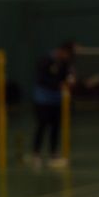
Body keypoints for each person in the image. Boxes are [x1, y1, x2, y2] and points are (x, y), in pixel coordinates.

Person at [30, 41, 76, 169]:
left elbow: (68, 76)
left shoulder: (66, 63)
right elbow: (41, 78)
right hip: (42, 99)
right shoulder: (45, 60)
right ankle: (36, 154)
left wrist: (70, 79)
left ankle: (53, 155)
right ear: (61, 51)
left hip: (57, 100)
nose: (67, 57)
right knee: (42, 125)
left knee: (55, 127)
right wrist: (57, 84)